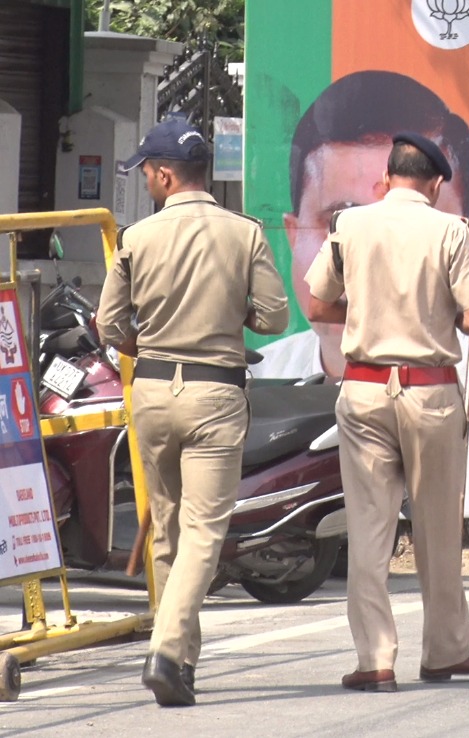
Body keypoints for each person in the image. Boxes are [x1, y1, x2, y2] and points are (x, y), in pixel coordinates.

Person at [97, 118, 290, 706]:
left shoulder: (137, 238)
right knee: (204, 532)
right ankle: (165, 649)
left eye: (146, 175)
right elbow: (274, 318)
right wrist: (230, 318)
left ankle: (179, 661)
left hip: (152, 394)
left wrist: (146, 344)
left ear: (162, 174)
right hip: (215, 394)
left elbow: (109, 325)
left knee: (168, 527)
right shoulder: (244, 234)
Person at [305, 132, 469, 692]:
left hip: (364, 390)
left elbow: (319, 303)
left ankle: (376, 660)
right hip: (430, 391)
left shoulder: (349, 226)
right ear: (436, 183)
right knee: (438, 528)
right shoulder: (451, 231)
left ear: (387, 178)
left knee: (369, 530)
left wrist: (365, 306)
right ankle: (444, 652)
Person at [261, 70, 469, 379]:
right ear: (295, 236)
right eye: (345, 215)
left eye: (420, 222)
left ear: (467, 235)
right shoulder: (260, 380)